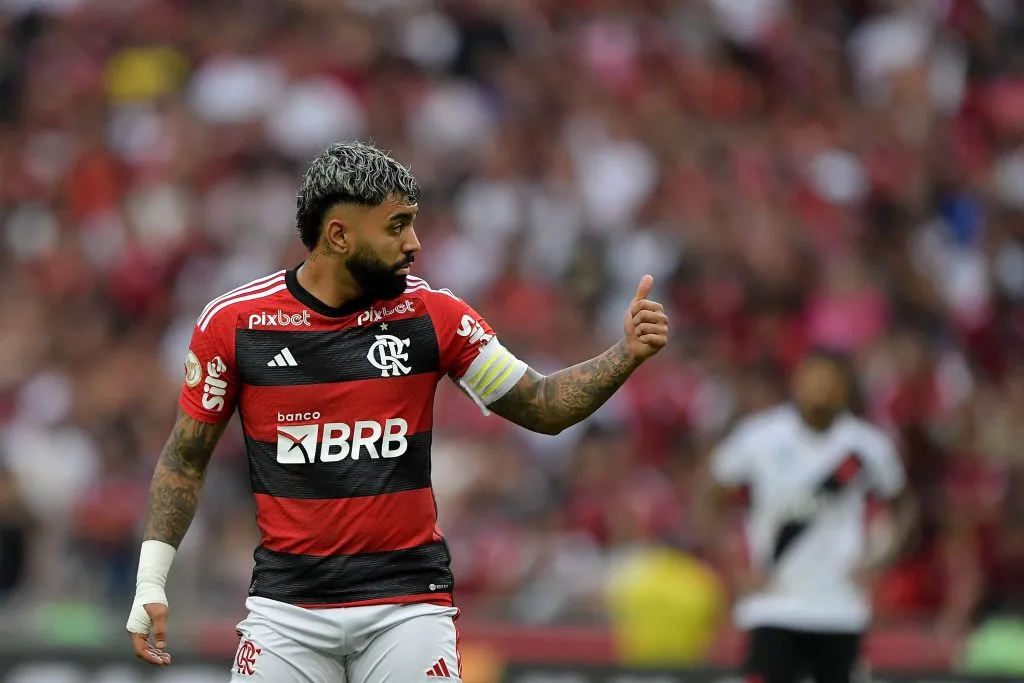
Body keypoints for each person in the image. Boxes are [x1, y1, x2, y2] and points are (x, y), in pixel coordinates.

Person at [124, 141, 669, 682]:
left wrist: (625, 354)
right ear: (338, 235)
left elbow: (544, 407)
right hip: (286, 613)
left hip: (407, 610)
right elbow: (185, 459)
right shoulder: (235, 325)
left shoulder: (433, 315)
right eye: (396, 226)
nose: (414, 243)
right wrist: (151, 581)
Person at [697, 349, 917, 683]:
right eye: (813, 379)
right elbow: (709, 501)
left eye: (829, 381)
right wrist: (735, 567)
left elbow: (904, 507)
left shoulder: (867, 446)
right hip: (773, 602)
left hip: (839, 606)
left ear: (844, 388)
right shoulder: (759, 438)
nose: (820, 389)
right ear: (795, 383)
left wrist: (878, 563)